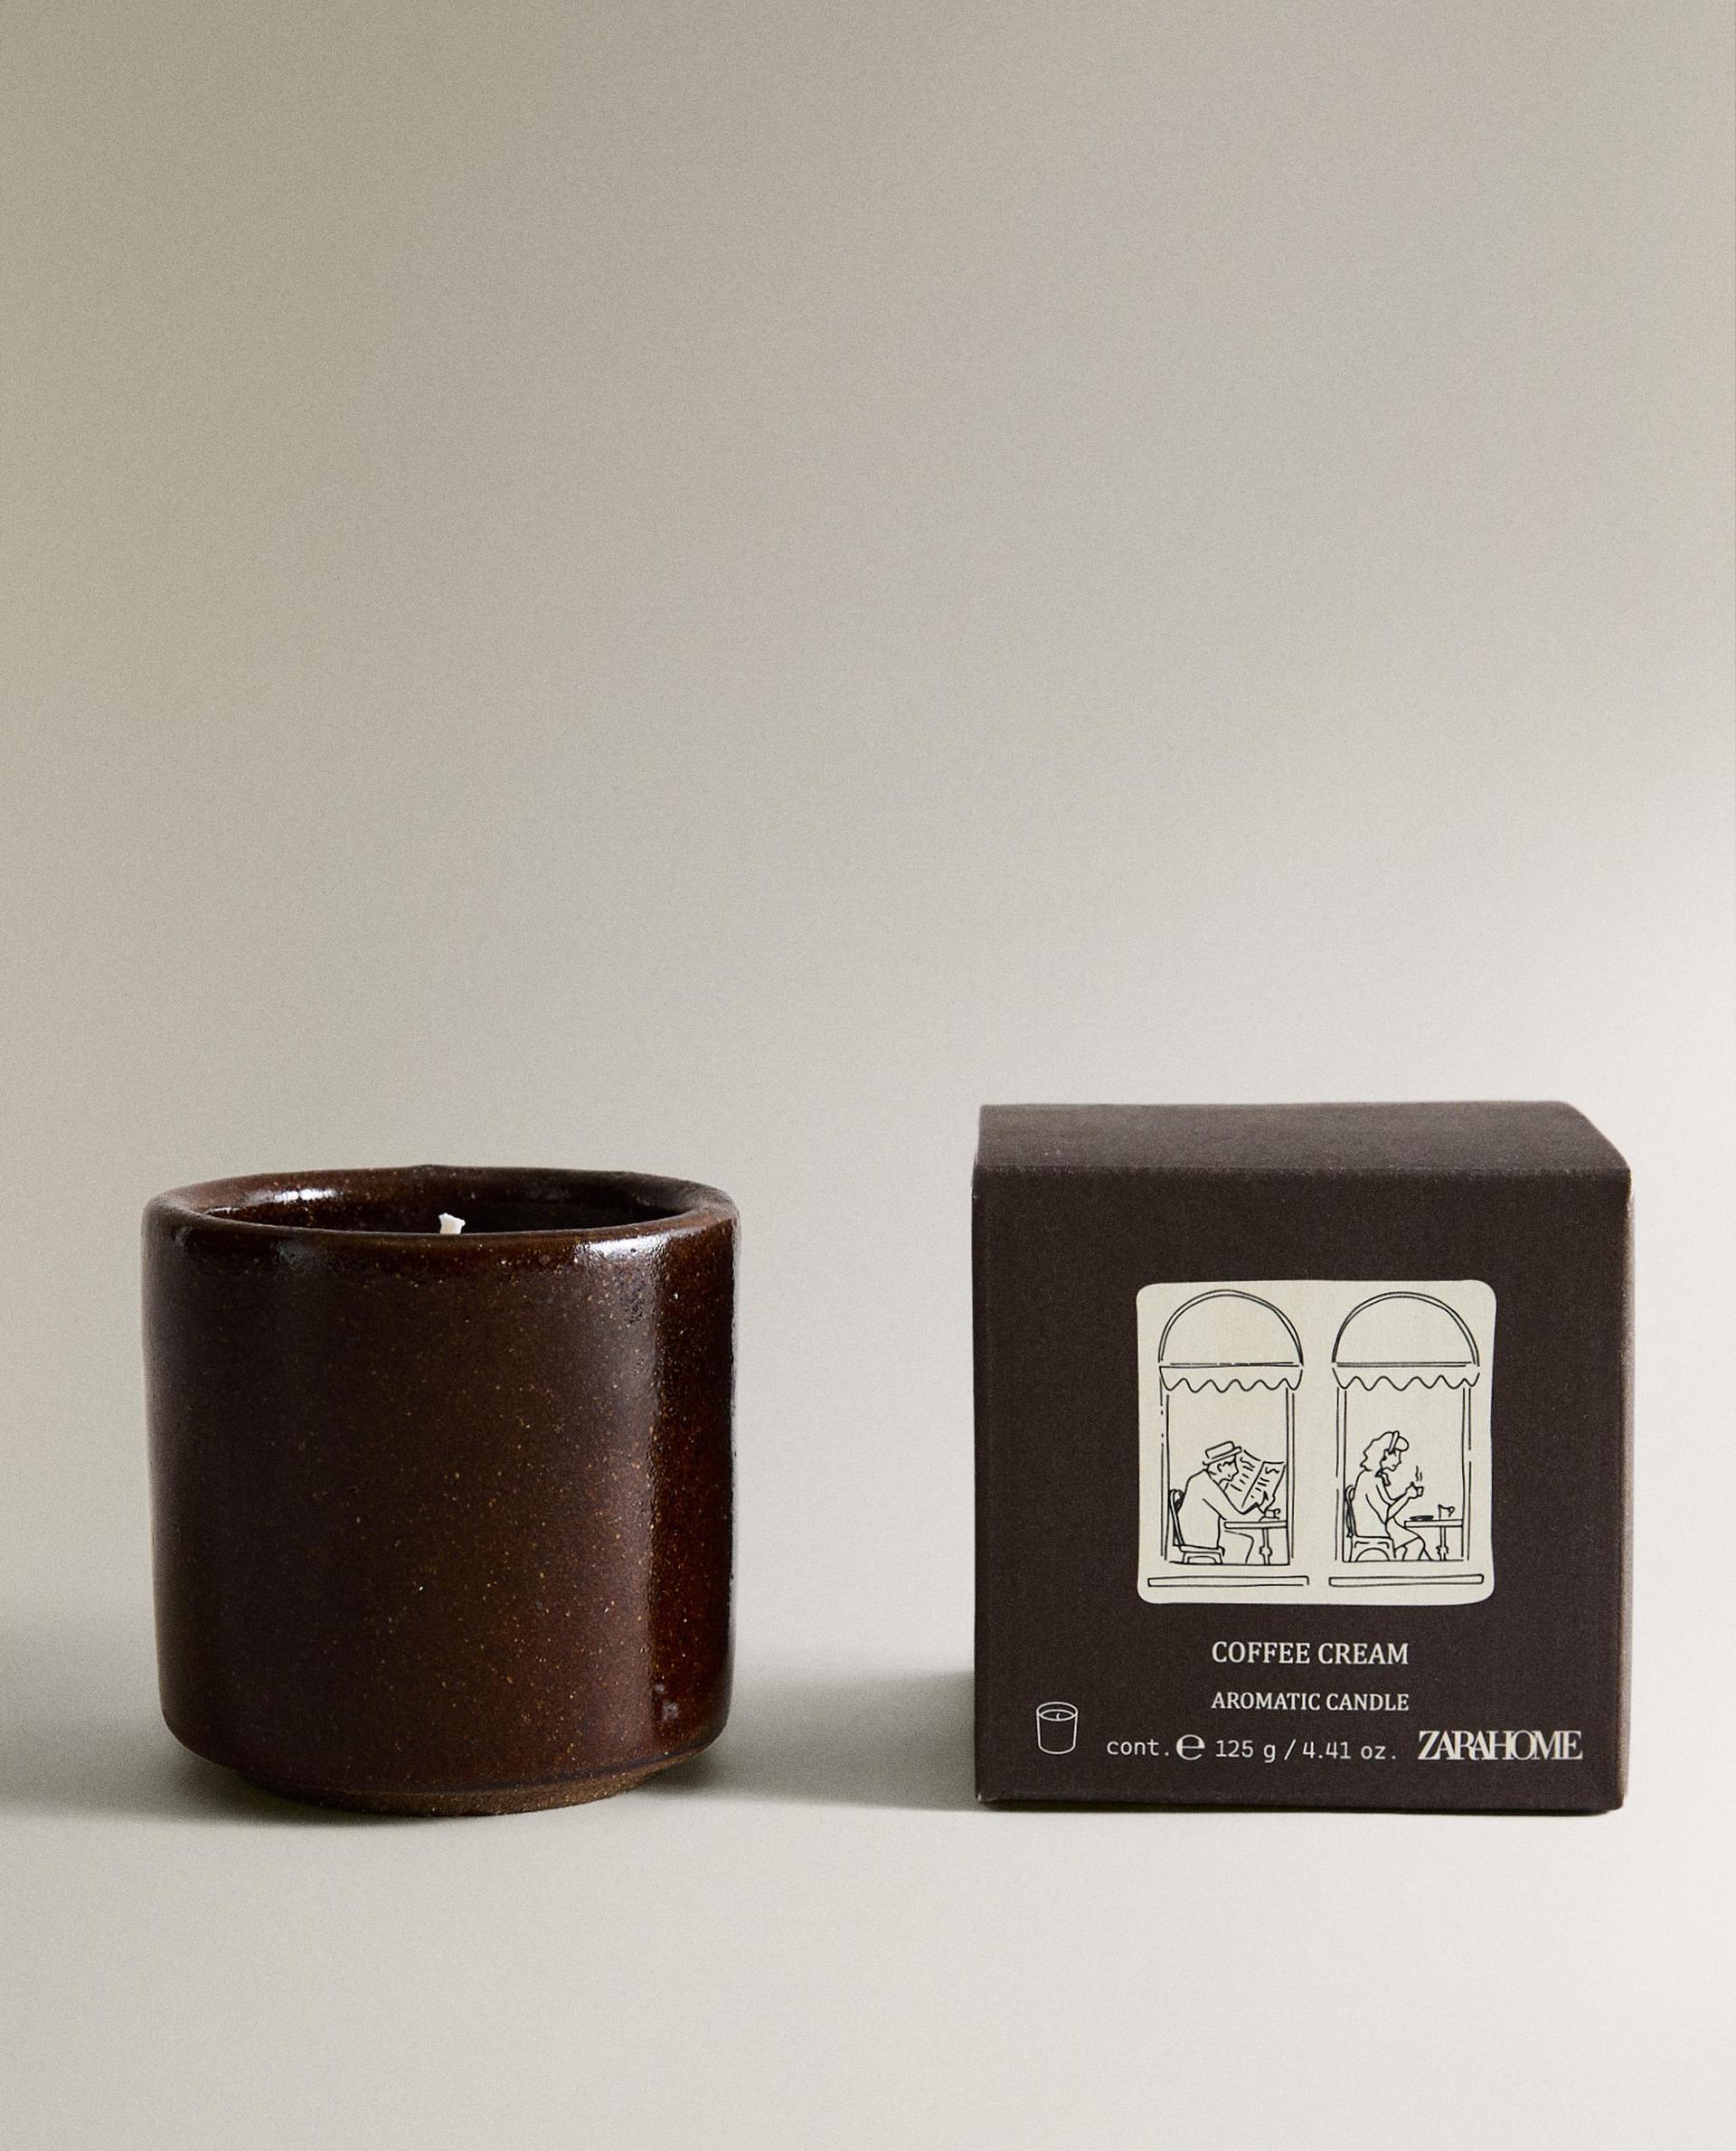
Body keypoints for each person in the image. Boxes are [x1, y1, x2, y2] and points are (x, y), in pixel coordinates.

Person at [1176, 1440, 1270, 1564]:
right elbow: (1235, 1518)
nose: (1236, 1470)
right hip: (1200, 1543)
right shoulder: (1204, 1484)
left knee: (1243, 1541)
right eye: (1232, 1464)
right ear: (1220, 1466)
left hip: (1198, 1540)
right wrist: (1262, 1507)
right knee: (1243, 1543)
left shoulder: (1202, 1480)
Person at [1348, 1430, 1425, 1560]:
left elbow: (1388, 1504)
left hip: (1381, 1527)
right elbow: (1386, 1514)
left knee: (1414, 1544)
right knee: (1416, 1544)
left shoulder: (1373, 1478)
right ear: (1385, 1454)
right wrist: (1407, 1496)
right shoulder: (1370, 1479)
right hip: (1373, 1530)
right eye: (1397, 1455)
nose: (1399, 1461)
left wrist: (1408, 1495)